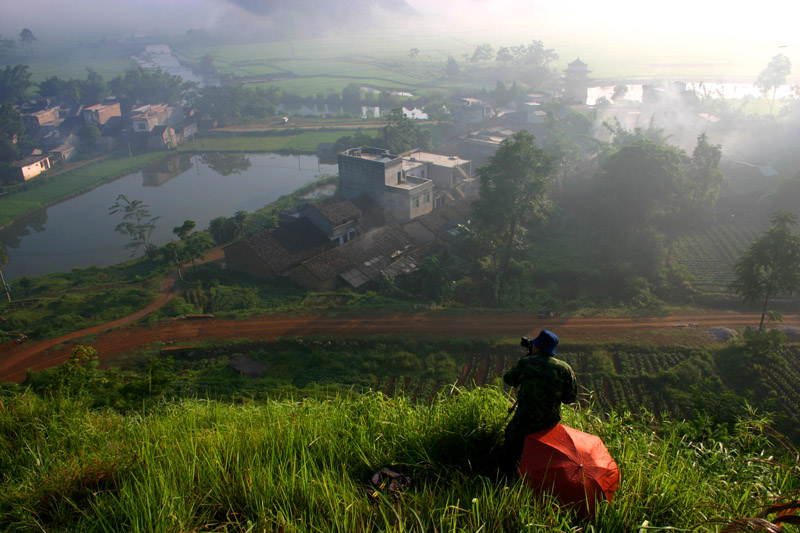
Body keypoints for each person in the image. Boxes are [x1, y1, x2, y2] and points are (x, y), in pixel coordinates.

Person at [502, 329, 577, 473]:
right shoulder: (565, 369)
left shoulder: (527, 363)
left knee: (512, 450)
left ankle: (509, 478)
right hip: (550, 424)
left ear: (538, 347)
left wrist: (525, 360)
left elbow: (509, 379)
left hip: (524, 421)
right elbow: (569, 398)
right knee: (542, 458)